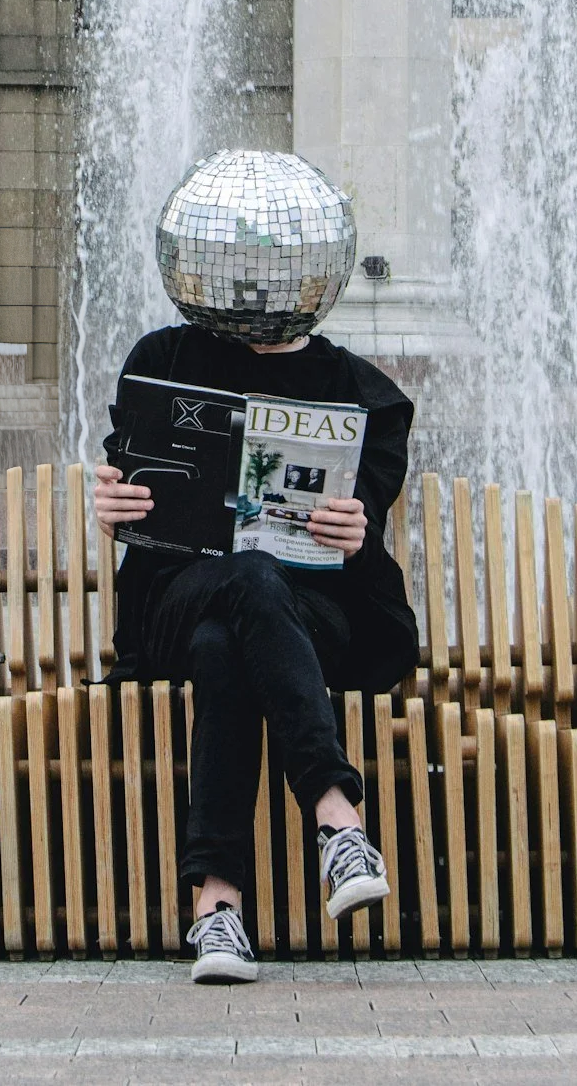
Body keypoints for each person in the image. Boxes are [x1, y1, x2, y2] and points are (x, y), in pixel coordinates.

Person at [93, 150, 419, 983]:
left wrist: (357, 529)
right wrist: (112, 503)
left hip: (311, 618)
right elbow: (128, 477)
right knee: (245, 579)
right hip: (178, 592)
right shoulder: (163, 362)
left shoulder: (363, 396)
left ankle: (217, 912)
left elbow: (365, 532)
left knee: (227, 639)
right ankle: (338, 821)